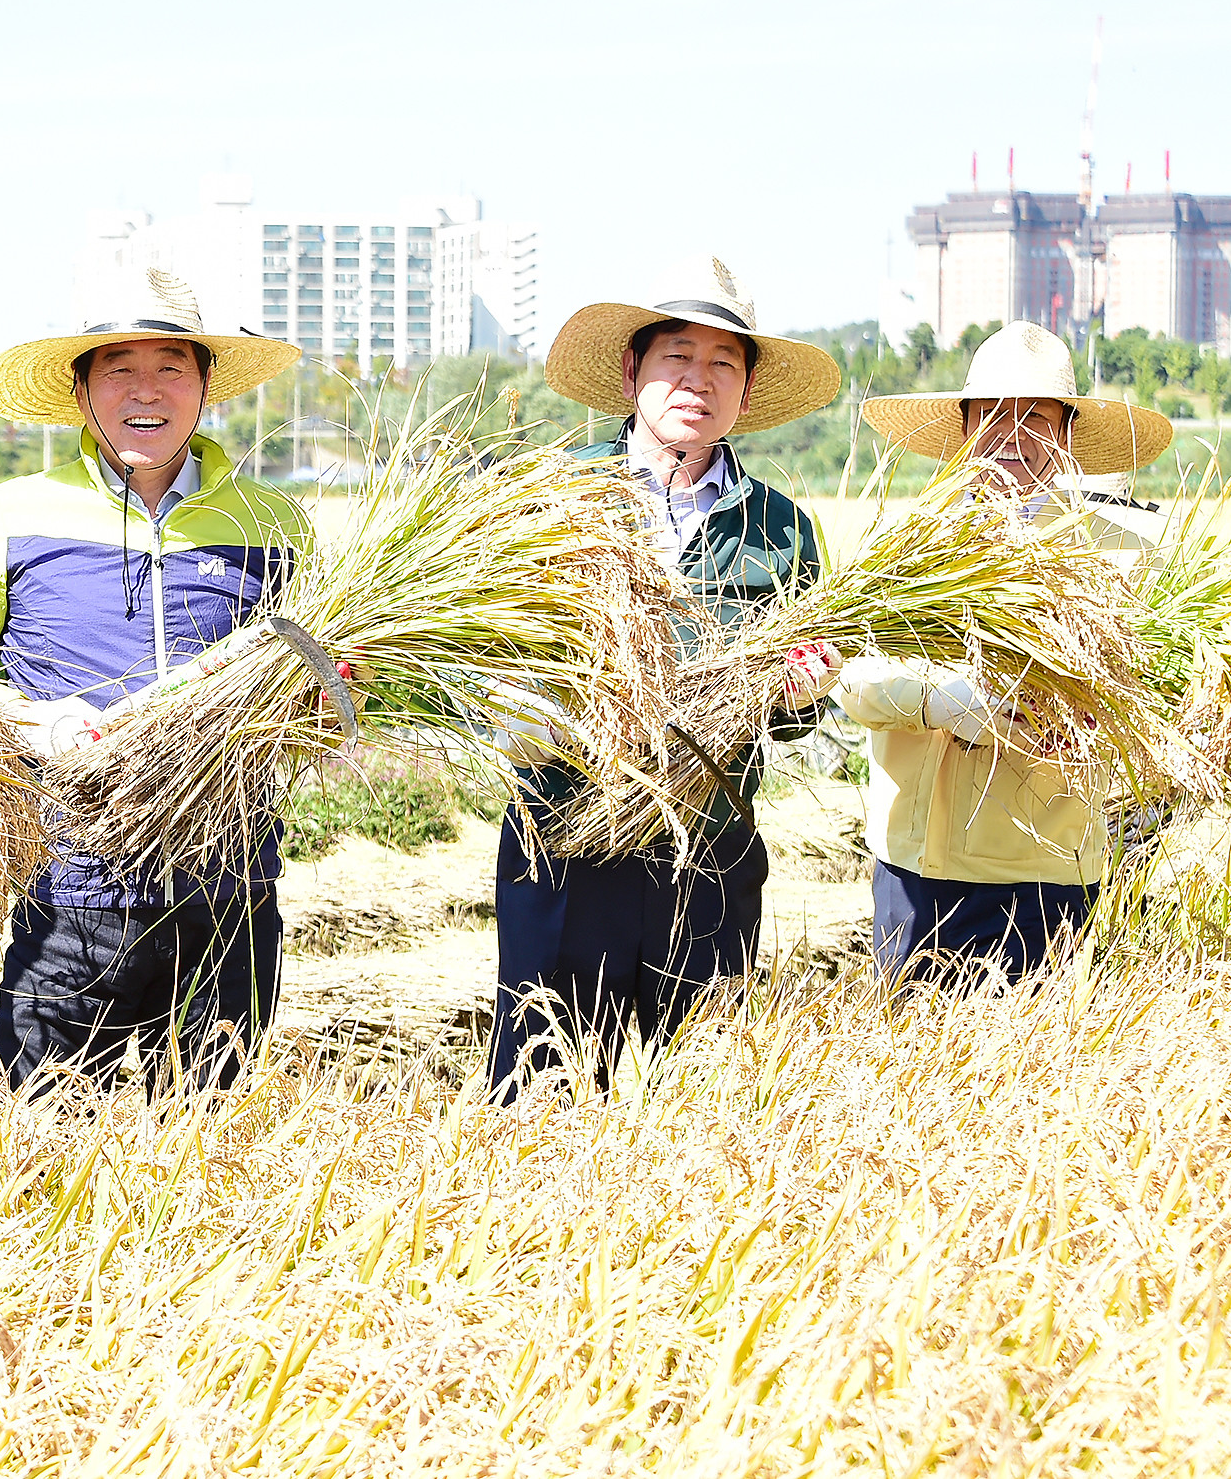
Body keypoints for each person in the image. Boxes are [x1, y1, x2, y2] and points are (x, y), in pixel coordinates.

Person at [0, 268, 309, 1094]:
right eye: (118, 368)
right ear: (82, 388)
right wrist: (34, 722)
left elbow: (325, 690)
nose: (146, 391)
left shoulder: (274, 524)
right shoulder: (18, 511)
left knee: (214, 1144)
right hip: (70, 885)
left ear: (205, 387)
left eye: (171, 367)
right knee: (45, 1139)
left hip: (227, 887)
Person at [488, 257, 845, 1100]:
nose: (699, 381)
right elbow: (491, 659)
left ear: (748, 390)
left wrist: (804, 693)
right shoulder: (555, 497)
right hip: (567, 840)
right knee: (544, 1099)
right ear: (631, 374)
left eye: (724, 363)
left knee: (706, 1106)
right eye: (677, 358)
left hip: (710, 851)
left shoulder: (781, 527)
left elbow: (793, 716)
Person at [847, 319, 1172, 986]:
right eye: (992, 413)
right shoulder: (910, 541)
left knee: (1036, 1076)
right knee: (906, 1073)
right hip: (914, 869)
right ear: (964, 427)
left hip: (1045, 871)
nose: (1012, 434)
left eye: (1037, 417)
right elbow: (853, 678)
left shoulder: (1121, 549)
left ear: (1069, 436)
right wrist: (952, 699)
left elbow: (1150, 687)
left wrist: (1082, 707)